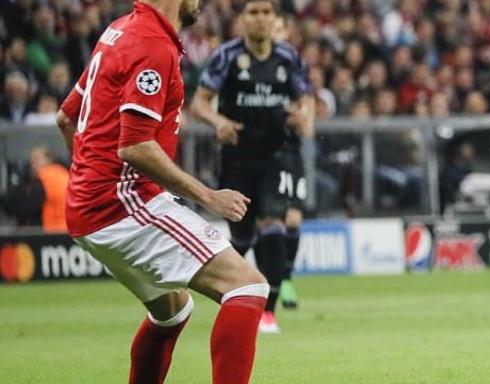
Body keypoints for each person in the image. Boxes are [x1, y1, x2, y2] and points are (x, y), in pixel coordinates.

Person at [54, 1, 268, 383]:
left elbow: (66, 117)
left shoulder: (118, 30)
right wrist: (208, 197)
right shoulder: (154, 45)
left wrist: (90, 177)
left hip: (88, 209)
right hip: (122, 202)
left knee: (172, 310)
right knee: (247, 286)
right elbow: (134, 146)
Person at [191, 0, 314, 332]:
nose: (260, 19)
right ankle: (232, 290)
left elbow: (306, 98)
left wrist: (305, 117)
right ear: (242, 20)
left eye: (266, 12)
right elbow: (199, 103)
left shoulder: (289, 57)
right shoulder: (227, 57)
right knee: (242, 234)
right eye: (253, 12)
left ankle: (268, 311)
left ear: (274, 19)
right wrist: (217, 121)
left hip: (277, 153)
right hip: (238, 155)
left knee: (273, 220)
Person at [29, 146, 69, 233]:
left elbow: (29, 203)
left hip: (54, 230)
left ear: (48, 159)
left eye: (36, 159)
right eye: (32, 161)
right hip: (70, 228)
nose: (33, 164)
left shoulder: (46, 176)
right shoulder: (63, 173)